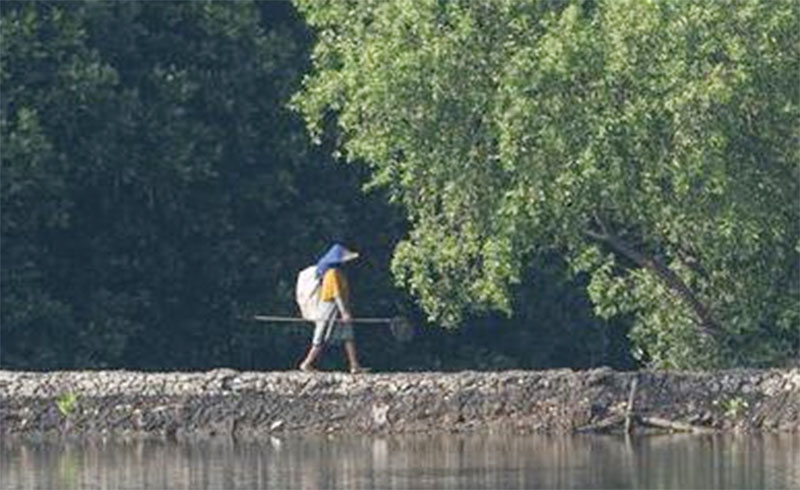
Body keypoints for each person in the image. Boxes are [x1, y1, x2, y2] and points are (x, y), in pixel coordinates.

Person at [299, 243, 368, 374]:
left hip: (339, 307)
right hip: (329, 308)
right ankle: (306, 363)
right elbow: (336, 294)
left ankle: (354, 365)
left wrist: (344, 311)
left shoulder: (339, 272)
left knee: (348, 335)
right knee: (320, 337)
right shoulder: (332, 273)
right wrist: (344, 313)